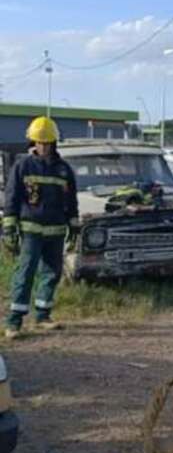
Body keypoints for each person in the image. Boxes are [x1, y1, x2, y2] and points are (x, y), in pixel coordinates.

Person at [2, 116, 78, 339]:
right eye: (39, 142)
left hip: (56, 231)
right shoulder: (23, 166)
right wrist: (9, 229)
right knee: (25, 273)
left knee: (51, 273)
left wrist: (74, 227)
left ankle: (43, 315)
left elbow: (71, 201)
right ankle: (14, 322)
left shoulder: (64, 170)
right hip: (31, 230)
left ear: (54, 142)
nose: (43, 146)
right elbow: (12, 197)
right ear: (32, 142)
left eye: (47, 142)